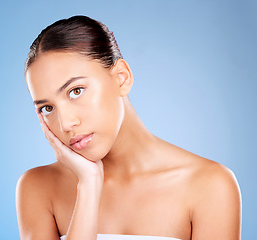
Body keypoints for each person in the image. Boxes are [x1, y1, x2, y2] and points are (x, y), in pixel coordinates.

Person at [16, 15, 242, 240]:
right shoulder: (38, 188)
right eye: (47, 108)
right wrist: (88, 185)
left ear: (121, 78)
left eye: (76, 91)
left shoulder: (209, 186)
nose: (66, 123)